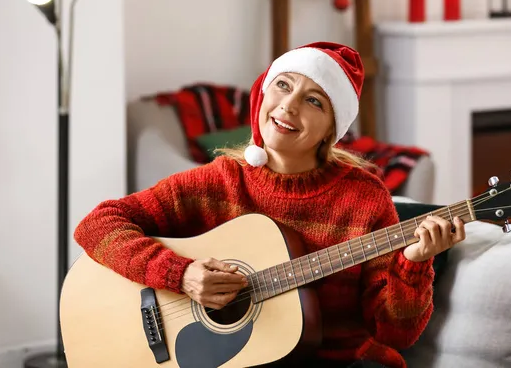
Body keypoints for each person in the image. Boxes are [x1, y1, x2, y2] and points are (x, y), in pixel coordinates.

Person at [73, 42, 466, 368]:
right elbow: (97, 225)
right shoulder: (219, 180)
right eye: (282, 85)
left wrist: (414, 264)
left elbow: (397, 334)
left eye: (314, 100)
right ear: (262, 92)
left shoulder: (364, 198)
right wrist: (181, 274)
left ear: (332, 128)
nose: (289, 106)